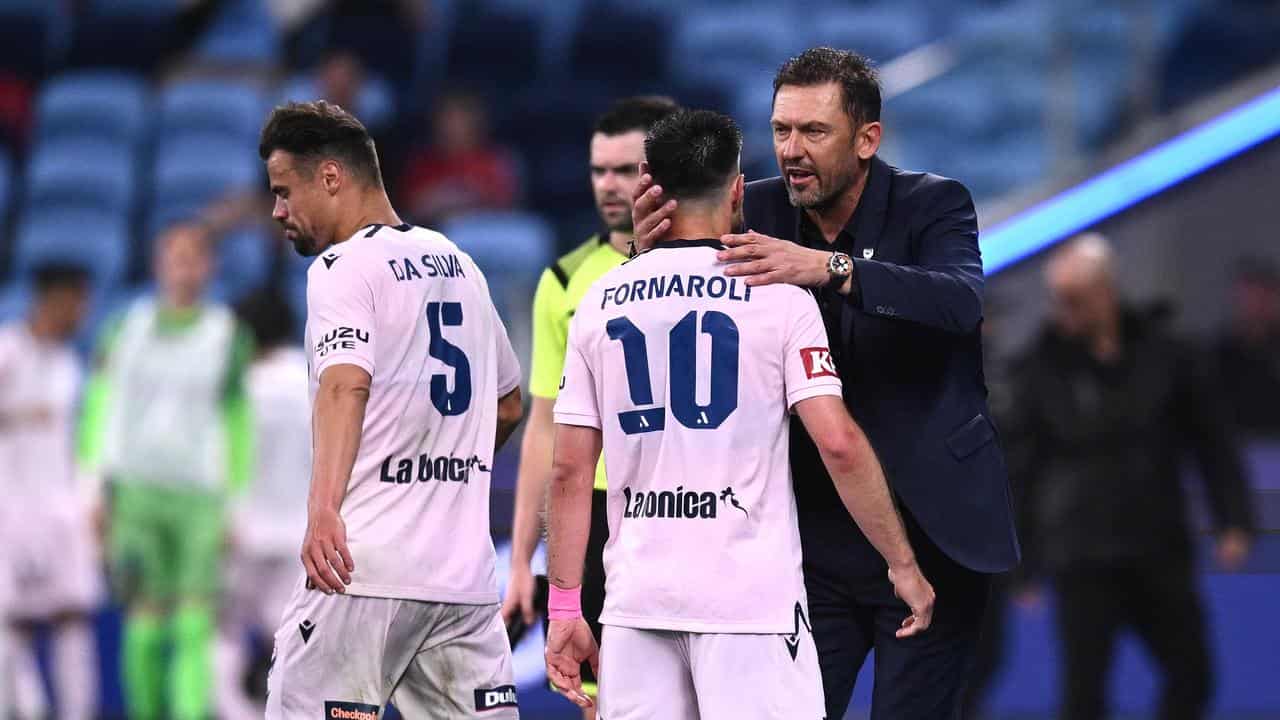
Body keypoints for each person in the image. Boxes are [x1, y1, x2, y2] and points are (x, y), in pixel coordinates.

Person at [631, 47, 1020, 720]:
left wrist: (830, 267)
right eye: (781, 130)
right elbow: (676, 314)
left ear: (868, 138)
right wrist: (648, 255)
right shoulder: (750, 209)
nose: (791, 149)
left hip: (930, 532)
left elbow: (961, 302)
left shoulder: (935, 204)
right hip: (806, 538)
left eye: (813, 131)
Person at [544, 109, 934, 720]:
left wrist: (566, 609)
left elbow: (569, 471)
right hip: (749, 606)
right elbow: (838, 444)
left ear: (651, 186)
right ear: (735, 189)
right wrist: (902, 563)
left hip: (637, 604)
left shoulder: (600, 300)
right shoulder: (780, 295)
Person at [258, 101, 524, 719]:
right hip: (461, 582)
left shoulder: (341, 267)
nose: (277, 212)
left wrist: (324, 508)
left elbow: (345, 385)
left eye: (282, 191)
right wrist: (445, 480)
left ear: (330, 177)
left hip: (361, 572)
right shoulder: (462, 264)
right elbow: (509, 404)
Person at [1011, 234, 1255, 720]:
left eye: (1075, 299)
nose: (1066, 312)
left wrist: (1233, 519)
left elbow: (1211, 444)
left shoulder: (1168, 355)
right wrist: (1024, 563)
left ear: (1106, 291)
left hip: (1158, 544)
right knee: (1084, 693)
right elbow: (1022, 470)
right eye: (1059, 300)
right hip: (1081, 552)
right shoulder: (1042, 367)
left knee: (1192, 674)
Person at [501, 94, 678, 717]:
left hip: (689, 505)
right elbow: (543, 430)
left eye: (626, 170)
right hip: (599, 511)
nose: (609, 185)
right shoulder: (565, 281)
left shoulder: (719, 266)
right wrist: (523, 561)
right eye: (599, 169)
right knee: (603, 704)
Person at [78, 223, 255, 720]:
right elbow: (99, 406)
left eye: (193, 256)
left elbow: (239, 422)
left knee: (195, 620)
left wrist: (237, 501)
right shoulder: (122, 329)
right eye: (174, 256)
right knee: (144, 618)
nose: (184, 266)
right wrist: (92, 487)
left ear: (209, 266)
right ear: (158, 263)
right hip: (135, 494)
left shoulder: (228, 336)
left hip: (201, 497)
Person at [0, 262, 99, 720]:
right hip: (9, 507)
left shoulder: (69, 363)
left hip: (60, 507)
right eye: (78, 301)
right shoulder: (7, 351)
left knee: (73, 618)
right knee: (9, 623)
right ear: (53, 298)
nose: (83, 312)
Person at [215, 290, 311, 719]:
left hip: (242, 529)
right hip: (301, 533)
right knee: (294, 640)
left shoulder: (237, 388)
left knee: (223, 635)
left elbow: (218, 458)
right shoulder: (315, 379)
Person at [398, 91, 520, 225]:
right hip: (442, 228)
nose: (454, 127)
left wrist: (468, 197)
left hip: (490, 226)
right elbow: (414, 207)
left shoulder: (494, 159)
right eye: (449, 119)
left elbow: (507, 202)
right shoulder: (423, 162)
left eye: (461, 119)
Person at [1215, 255, 1280, 437]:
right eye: (1248, 295)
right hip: (1238, 445)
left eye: (1262, 294)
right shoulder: (1221, 352)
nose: (1254, 303)